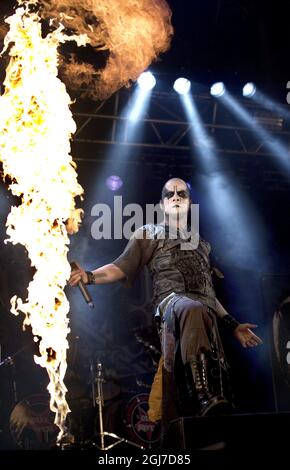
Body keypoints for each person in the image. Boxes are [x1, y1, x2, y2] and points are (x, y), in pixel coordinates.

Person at [69, 177, 262, 431]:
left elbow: (208, 293)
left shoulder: (202, 245)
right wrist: (90, 276)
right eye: (169, 194)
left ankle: (206, 412)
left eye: (181, 193)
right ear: (161, 204)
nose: (176, 197)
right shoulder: (149, 233)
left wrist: (233, 324)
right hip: (171, 307)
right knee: (190, 307)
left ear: (190, 202)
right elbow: (120, 267)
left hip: (202, 317)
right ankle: (203, 394)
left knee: (202, 324)